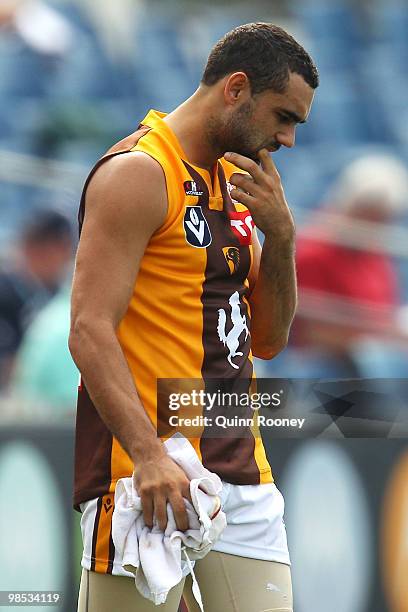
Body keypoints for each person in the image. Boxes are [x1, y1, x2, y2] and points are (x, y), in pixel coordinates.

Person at [69, 22, 318, 611]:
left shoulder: (236, 185)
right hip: (145, 471)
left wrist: (279, 236)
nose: (287, 139)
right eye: (283, 117)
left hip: (241, 467)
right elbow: (87, 328)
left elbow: (269, 338)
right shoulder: (137, 173)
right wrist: (150, 454)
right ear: (236, 88)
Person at [293, 153, 408, 378]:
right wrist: (380, 337)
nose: (375, 226)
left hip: (376, 352)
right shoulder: (314, 248)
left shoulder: (373, 248)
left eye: (382, 219)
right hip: (331, 365)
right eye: (370, 216)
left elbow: (386, 307)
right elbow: (310, 332)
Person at [0, 209, 73, 388]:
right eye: (58, 249)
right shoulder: (5, 293)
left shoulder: (57, 294)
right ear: (31, 248)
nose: (65, 258)